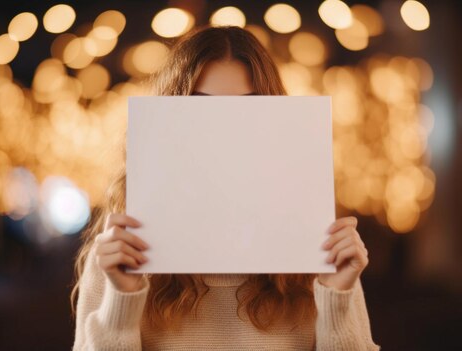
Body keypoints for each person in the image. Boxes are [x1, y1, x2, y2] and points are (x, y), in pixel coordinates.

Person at [71, 25, 380, 350]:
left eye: (248, 110)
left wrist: (335, 300)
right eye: (202, 109)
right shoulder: (121, 254)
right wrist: (123, 301)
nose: (225, 133)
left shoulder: (319, 251)